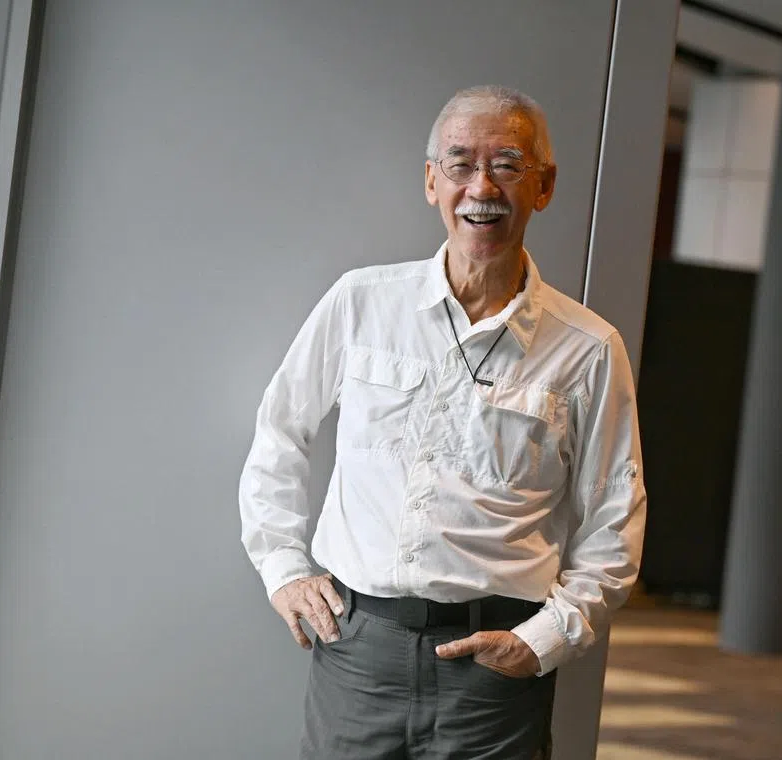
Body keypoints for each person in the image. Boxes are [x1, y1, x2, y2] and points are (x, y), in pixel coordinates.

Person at [239, 84, 646, 760]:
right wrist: (283, 567)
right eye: (459, 164)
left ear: (543, 187)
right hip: (357, 652)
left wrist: (542, 640)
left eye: (508, 165)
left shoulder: (588, 349)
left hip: (494, 672)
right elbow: (279, 433)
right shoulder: (361, 303)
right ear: (433, 183)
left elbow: (615, 517)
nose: (480, 186)